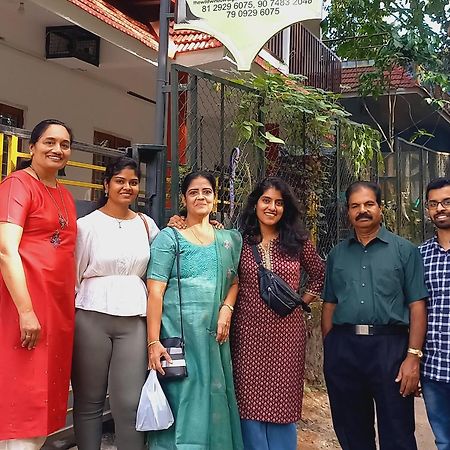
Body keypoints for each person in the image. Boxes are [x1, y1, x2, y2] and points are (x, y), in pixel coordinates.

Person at [321, 180, 428, 450]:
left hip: (390, 348)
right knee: (351, 431)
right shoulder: (337, 255)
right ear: (347, 212)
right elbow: (330, 304)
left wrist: (413, 356)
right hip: (344, 348)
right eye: (355, 206)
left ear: (380, 208)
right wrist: (331, 350)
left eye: (369, 204)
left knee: (398, 432)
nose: (362, 211)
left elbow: (417, 304)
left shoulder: (405, 251)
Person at [147, 170, 244, 449]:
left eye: (206, 192)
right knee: (184, 398)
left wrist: (227, 307)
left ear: (215, 198)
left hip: (215, 337)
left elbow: (234, 280)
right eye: (193, 192)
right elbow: (155, 291)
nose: (200, 197)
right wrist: (153, 341)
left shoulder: (229, 239)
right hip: (178, 338)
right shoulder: (170, 238)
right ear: (184, 198)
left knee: (216, 396)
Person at [231, 177, 325, 450]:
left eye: (279, 203)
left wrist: (299, 302)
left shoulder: (297, 241)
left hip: (287, 335)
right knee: (248, 402)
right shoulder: (239, 240)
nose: (272, 207)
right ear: (256, 204)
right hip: (247, 335)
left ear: (286, 208)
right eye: (266, 200)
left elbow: (319, 275)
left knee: (282, 401)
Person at [72, 157, 159, 450]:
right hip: (91, 316)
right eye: (120, 181)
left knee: (129, 402)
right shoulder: (86, 225)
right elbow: (74, 274)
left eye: (133, 182)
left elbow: (159, 267)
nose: (127, 187)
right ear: (107, 184)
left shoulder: (147, 225)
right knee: (89, 401)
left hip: (134, 318)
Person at [0, 119, 76, 450]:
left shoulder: (65, 195)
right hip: (23, 310)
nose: (57, 149)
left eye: (64, 144)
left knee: (43, 410)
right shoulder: (18, 185)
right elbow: (5, 250)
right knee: (21, 409)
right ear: (31, 147)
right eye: (49, 142)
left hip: (56, 314)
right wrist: (26, 311)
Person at [418, 177, 450, 450]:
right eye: (434, 204)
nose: (440, 208)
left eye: (447, 202)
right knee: (443, 441)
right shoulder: (419, 256)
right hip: (434, 369)